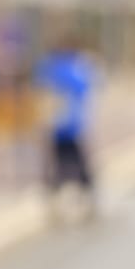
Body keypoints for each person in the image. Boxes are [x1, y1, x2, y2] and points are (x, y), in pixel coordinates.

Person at [34, 37, 101, 214]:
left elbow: (41, 93)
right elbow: (87, 92)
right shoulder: (77, 69)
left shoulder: (49, 69)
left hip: (56, 125)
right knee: (77, 161)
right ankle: (86, 193)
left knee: (59, 161)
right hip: (72, 125)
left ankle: (54, 194)